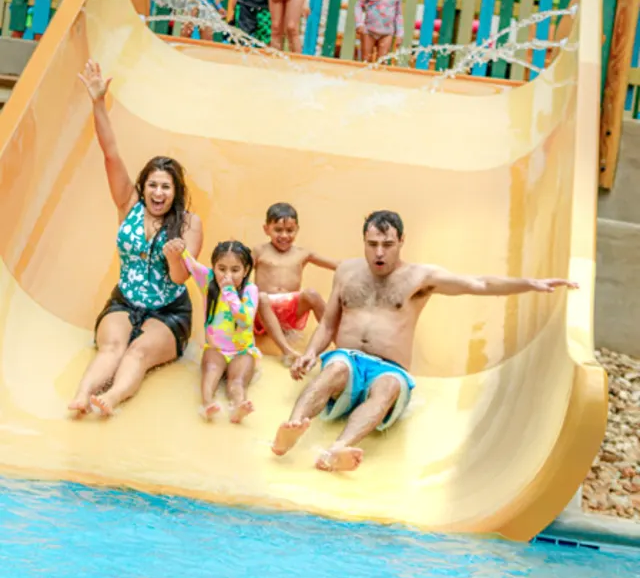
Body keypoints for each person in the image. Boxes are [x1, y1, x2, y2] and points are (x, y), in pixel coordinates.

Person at [271, 210, 579, 472]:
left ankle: (337, 450)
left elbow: (479, 283)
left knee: (387, 387)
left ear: (401, 242)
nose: (379, 253)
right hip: (347, 358)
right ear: (363, 241)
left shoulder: (420, 277)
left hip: (389, 368)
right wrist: (311, 352)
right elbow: (328, 323)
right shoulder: (346, 271)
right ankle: (291, 428)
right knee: (334, 368)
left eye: (388, 245)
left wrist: (530, 283)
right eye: (372, 244)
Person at [68, 60, 203, 417]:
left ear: (176, 191)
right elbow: (110, 152)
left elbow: (180, 278)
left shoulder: (189, 223)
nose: (158, 192)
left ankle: (110, 399)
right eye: (153, 185)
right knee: (112, 348)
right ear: (143, 186)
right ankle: (82, 394)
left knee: (136, 353)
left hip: (169, 310)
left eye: (166, 187)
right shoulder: (127, 203)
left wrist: (175, 256)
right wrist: (98, 102)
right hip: (124, 300)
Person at [166, 239, 260, 423]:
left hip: (242, 351)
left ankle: (238, 407)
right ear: (213, 267)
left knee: (237, 382)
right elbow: (191, 264)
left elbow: (244, 321)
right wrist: (181, 249)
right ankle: (208, 404)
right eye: (221, 268)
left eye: (235, 270)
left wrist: (229, 292)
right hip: (216, 348)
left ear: (246, 270)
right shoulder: (208, 281)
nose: (227, 275)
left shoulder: (250, 290)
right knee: (210, 372)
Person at [253, 202, 338, 358]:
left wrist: (364, 266)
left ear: (297, 229)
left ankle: (339, 342)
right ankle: (287, 351)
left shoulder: (303, 253)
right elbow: (240, 270)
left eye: (290, 230)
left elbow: (337, 265)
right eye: (278, 230)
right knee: (260, 297)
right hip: (262, 310)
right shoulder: (259, 251)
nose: (284, 235)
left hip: (289, 311)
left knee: (311, 294)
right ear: (266, 229)